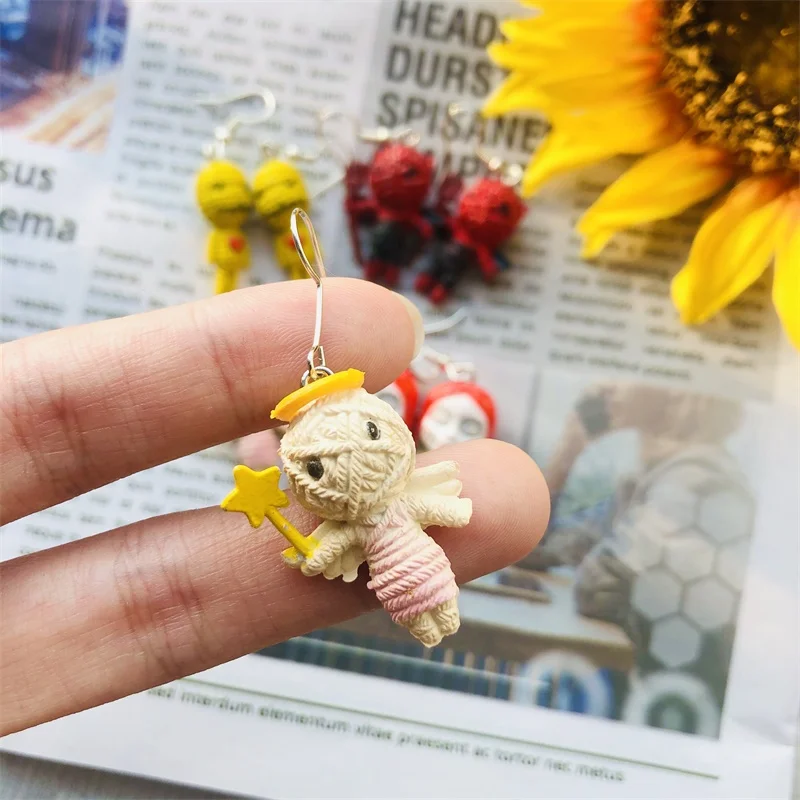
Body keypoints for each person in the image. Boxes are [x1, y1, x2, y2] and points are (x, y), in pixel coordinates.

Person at [0, 278, 549, 736]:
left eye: (370, 432)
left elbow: (434, 514)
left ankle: (434, 613)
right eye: (318, 468)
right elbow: (337, 546)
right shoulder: (355, 515)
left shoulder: (391, 501)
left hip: (418, 569)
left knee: (440, 602)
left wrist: (336, 549)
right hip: (401, 579)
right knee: (428, 611)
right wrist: (316, 556)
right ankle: (429, 615)